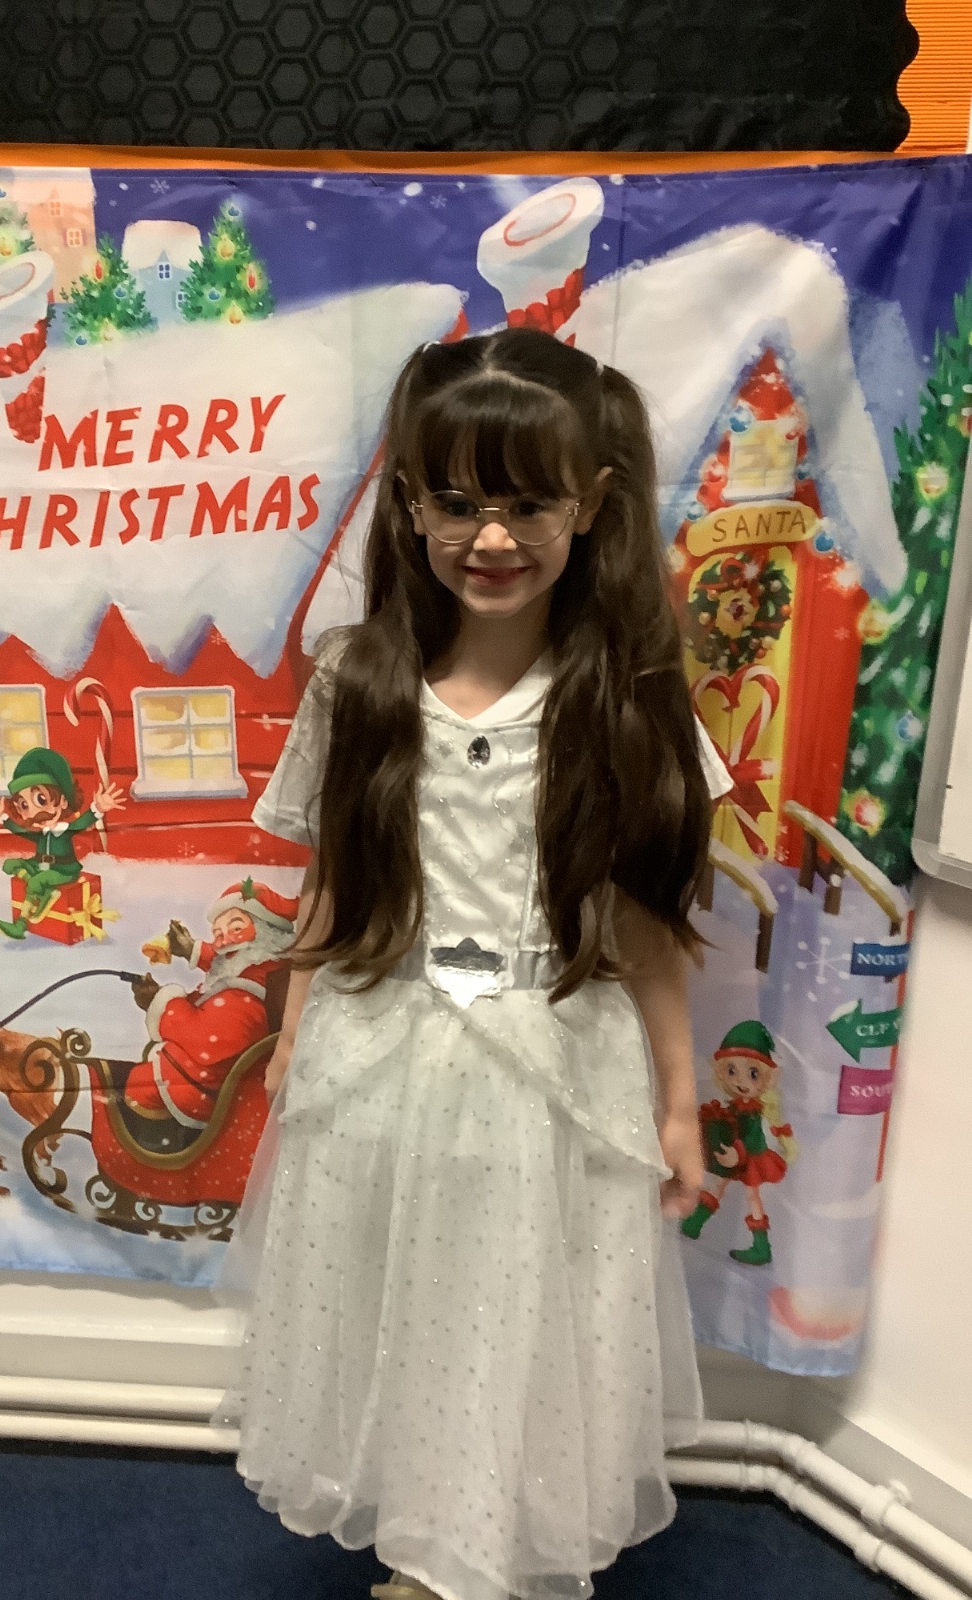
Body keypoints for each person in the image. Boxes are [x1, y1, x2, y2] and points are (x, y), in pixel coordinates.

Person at [218, 328, 733, 1600]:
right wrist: (295, 1032)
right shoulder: (356, 683)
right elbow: (334, 881)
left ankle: (484, 1556)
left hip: (552, 1063)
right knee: (395, 1304)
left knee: (522, 1315)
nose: (490, 538)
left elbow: (646, 921)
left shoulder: (628, 697)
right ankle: (428, 1549)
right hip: (380, 1052)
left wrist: (679, 1098)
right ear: (408, 503)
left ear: (591, 503)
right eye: (455, 502)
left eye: (526, 505)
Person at [125, 878, 298, 1126]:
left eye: (236, 928)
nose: (224, 941)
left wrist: (159, 1001)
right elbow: (229, 962)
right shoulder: (266, 966)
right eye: (218, 934)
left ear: (267, 931)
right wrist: (191, 949)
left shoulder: (247, 998)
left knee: (139, 1085)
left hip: (208, 1090)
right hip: (221, 1076)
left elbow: (203, 1038)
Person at [680, 1019, 797, 1266]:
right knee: (718, 1184)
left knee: (752, 1195)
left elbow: (751, 1137)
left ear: (768, 1077)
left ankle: (761, 1246)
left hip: (751, 1156)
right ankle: (695, 1222)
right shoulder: (737, 1105)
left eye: (753, 1073)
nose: (740, 1082)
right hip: (735, 1153)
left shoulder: (752, 1110)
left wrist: (738, 1153)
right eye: (731, 1071)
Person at [0, 746, 124, 939]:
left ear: (63, 801)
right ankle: (44, 893)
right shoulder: (41, 833)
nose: (33, 813)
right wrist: (2, 817)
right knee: (11, 865)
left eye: (41, 799)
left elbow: (83, 822)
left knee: (38, 881)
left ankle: (20, 924)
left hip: (64, 871)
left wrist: (98, 808)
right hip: (40, 866)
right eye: (24, 805)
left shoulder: (65, 831)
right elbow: (20, 831)